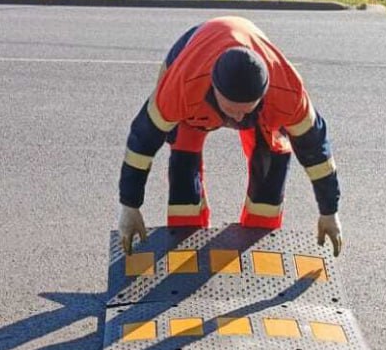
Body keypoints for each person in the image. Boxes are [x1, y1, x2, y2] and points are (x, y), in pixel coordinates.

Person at [117, 15, 342, 256]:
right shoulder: (182, 86)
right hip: (193, 62)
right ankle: (186, 241)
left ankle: (259, 241)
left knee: (272, 163)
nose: (236, 119)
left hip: (259, 95)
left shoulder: (286, 92)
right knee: (183, 162)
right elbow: (142, 142)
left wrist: (329, 212)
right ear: (214, 87)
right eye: (230, 109)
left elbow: (316, 152)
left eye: (244, 110)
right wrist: (130, 206)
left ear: (263, 94)